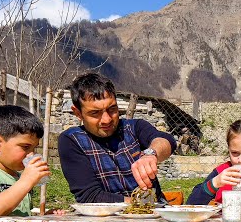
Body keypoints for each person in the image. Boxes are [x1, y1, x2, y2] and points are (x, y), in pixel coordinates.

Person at [58, 72, 177, 204]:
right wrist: (140, 206)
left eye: (112, 109)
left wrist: (151, 154)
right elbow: (90, 196)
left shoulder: (134, 128)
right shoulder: (72, 140)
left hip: (156, 214)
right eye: (95, 113)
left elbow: (167, 141)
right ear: (78, 113)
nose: (107, 119)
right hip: (106, 218)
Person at [0, 105, 63, 222]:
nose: (31, 154)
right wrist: (26, 181)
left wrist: (44, 219)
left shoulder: (18, 177)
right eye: (25, 147)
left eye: (34, 148)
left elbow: (18, 217)